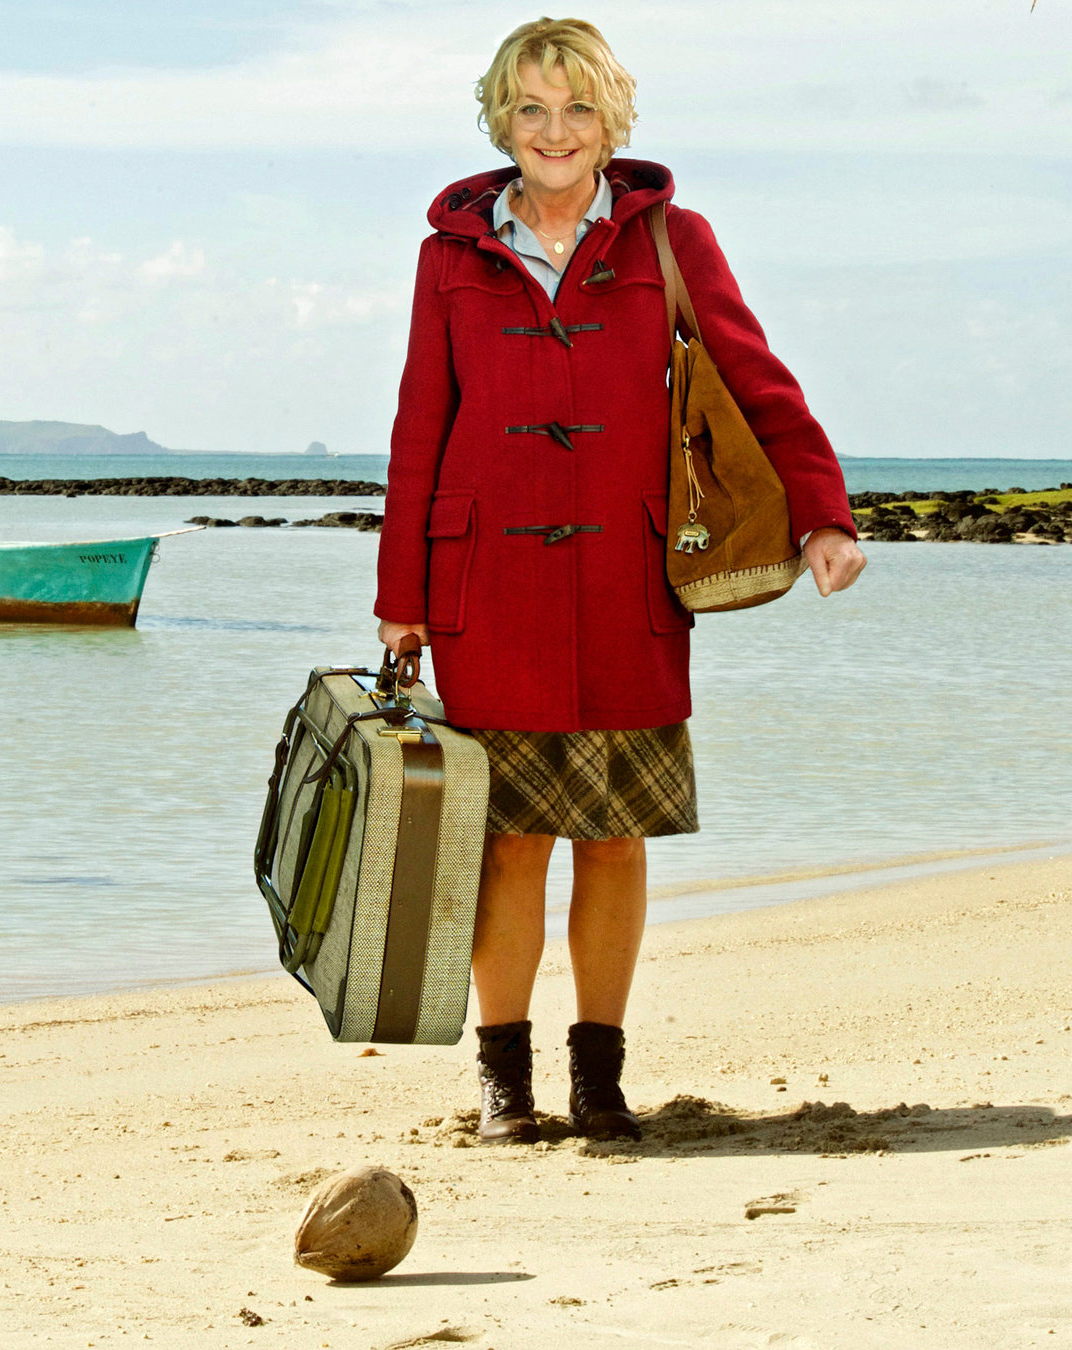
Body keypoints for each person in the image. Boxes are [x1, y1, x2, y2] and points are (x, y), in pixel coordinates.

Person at [373, 18, 867, 1143]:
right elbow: (420, 423)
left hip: (629, 582)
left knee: (614, 835)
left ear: (614, 121)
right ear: (500, 121)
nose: (555, 131)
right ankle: (505, 1086)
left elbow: (755, 381)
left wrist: (821, 516)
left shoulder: (669, 240)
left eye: (578, 109)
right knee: (508, 840)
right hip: (485, 588)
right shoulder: (449, 256)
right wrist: (399, 591)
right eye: (532, 110)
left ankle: (598, 1081)